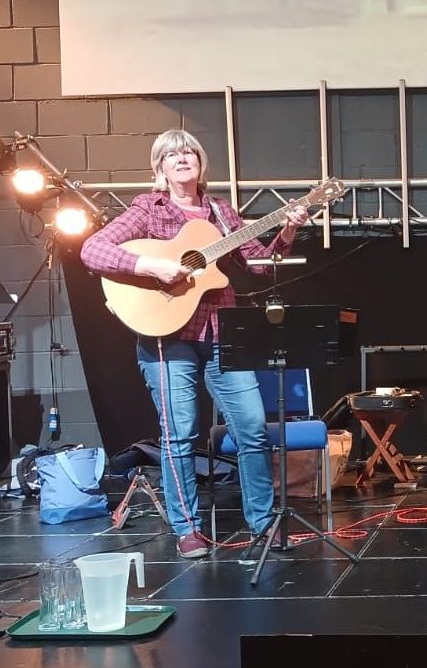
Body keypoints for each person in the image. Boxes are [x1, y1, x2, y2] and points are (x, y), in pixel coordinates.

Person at [81, 129, 309, 559]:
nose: (182, 157)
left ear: (201, 162)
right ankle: (187, 530)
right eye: (172, 154)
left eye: (189, 151)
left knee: (253, 429)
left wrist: (289, 230)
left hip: (221, 336)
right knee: (180, 436)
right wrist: (152, 265)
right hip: (168, 338)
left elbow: (259, 265)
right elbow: (92, 250)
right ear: (160, 168)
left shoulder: (221, 213)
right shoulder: (149, 208)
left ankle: (263, 524)